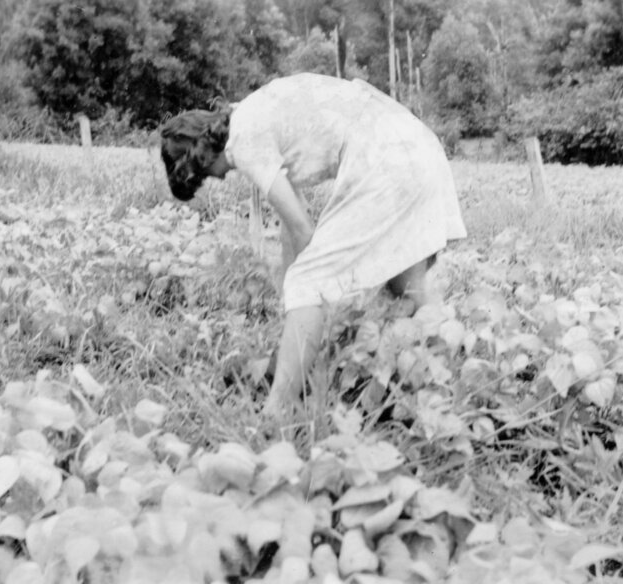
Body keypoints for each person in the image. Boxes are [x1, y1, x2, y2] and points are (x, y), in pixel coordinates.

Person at [160, 73, 467, 418]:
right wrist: (294, 306)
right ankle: (455, 386)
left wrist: (302, 300)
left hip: (383, 159)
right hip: (416, 145)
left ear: (195, 163)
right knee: (407, 290)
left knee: (308, 282)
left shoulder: (243, 142)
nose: (214, 180)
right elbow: (293, 222)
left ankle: (277, 410)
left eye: (201, 179)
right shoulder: (251, 114)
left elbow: (303, 230)